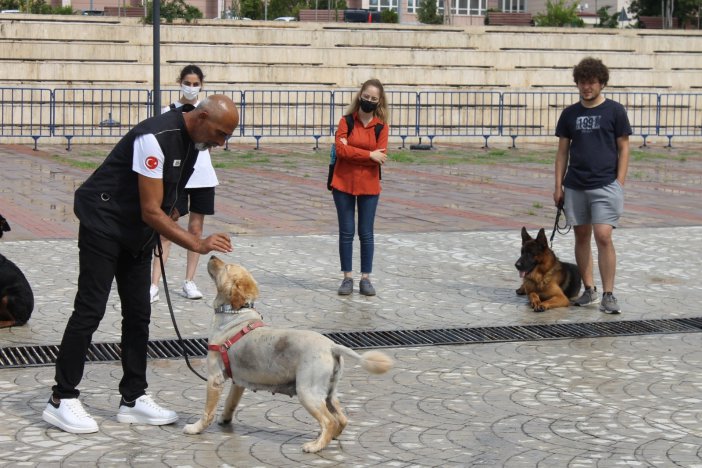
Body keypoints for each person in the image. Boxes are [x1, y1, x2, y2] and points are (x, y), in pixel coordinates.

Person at [42, 95, 239, 434]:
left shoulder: (194, 142)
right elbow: (151, 210)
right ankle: (62, 399)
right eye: (221, 133)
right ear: (202, 116)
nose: (221, 143)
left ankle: (132, 398)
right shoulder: (154, 137)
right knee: (90, 309)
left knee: (139, 313)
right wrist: (196, 243)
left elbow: (167, 196)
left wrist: (173, 208)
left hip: (135, 231)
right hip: (103, 222)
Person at [553, 57, 631, 314]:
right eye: (582, 82)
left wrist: (619, 182)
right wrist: (558, 186)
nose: (587, 87)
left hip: (606, 185)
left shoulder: (615, 111)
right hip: (575, 185)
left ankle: (609, 293)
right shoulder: (569, 114)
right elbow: (562, 152)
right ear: (577, 83)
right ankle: (589, 290)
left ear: (602, 83)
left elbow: (624, 146)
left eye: (592, 82)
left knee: (604, 236)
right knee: (581, 236)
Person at [150, 65, 219, 302]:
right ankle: (154, 283)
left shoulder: (207, 110)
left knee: (196, 230)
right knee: (166, 229)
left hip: (202, 175)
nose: (191, 88)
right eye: (187, 83)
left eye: (195, 84)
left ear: (202, 85)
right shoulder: (168, 111)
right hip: (177, 175)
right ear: (180, 82)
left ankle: (189, 281)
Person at [329, 78, 389, 296]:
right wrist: (368, 154)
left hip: (369, 186)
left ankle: (366, 278)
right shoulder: (346, 122)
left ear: (379, 101)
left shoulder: (381, 127)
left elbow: (380, 157)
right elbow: (341, 150)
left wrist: (353, 151)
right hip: (343, 183)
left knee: (366, 232)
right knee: (346, 232)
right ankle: (347, 278)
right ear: (360, 96)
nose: (369, 101)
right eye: (366, 97)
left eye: (373, 99)